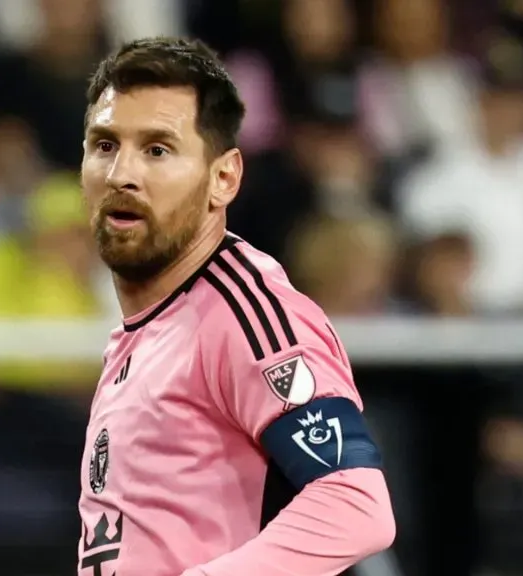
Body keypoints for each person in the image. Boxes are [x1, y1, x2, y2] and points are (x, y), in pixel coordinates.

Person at [76, 37, 396, 576]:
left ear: (223, 178)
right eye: (105, 145)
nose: (121, 175)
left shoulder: (242, 311)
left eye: (157, 150)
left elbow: (355, 502)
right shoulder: (143, 331)